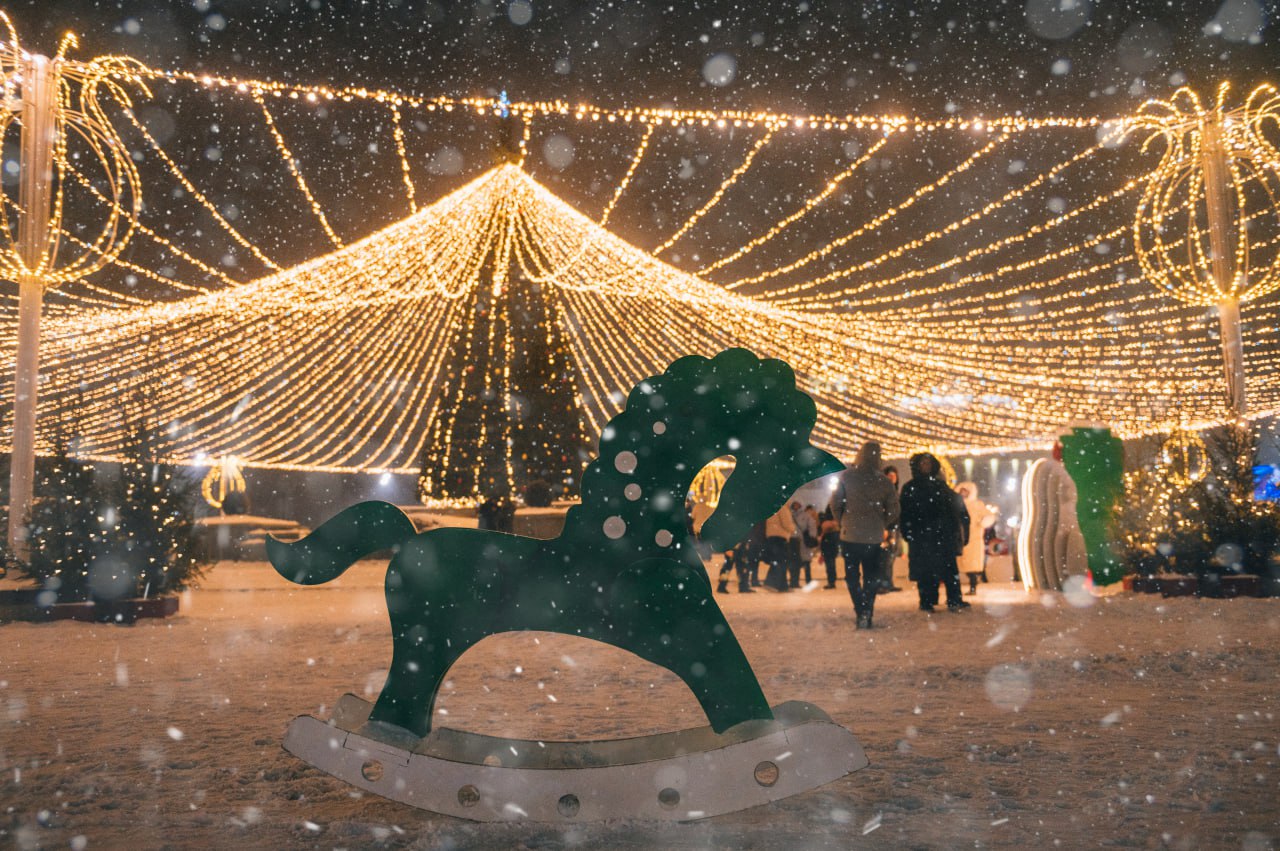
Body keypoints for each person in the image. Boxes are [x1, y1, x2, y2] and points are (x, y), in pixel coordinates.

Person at [831, 441, 900, 629]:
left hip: (850, 535)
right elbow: (894, 509)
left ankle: (860, 609)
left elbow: (835, 503)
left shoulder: (847, 477)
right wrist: (881, 522)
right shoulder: (884, 481)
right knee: (871, 576)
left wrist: (843, 520)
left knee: (852, 576)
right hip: (873, 537)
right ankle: (867, 610)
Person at [900, 453, 970, 613]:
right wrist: (907, 531)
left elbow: (955, 506)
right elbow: (905, 513)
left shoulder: (940, 486)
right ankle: (927, 600)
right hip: (922, 535)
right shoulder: (911, 487)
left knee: (948, 568)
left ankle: (954, 599)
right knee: (925, 569)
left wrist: (957, 529)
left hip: (942, 534)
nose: (926, 466)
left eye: (928, 463)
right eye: (923, 463)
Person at [957, 482, 995, 594]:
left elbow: (988, 516)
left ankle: (973, 587)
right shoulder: (956, 505)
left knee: (972, 567)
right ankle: (958, 591)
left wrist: (983, 522)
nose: (963, 494)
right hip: (959, 539)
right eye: (961, 491)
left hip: (974, 540)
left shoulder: (977, 505)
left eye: (965, 491)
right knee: (960, 565)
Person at [763, 501, 797, 591]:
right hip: (780, 537)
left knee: (778, 560)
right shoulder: (783, 508)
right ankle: (770, 582)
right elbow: (787, 523)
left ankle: (782, 586)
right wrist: (793, 529)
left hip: (771, 537)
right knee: (781, 561)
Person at [818, 506, 841, 588]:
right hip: (833, 548)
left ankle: (831, 582)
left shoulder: (825, 525)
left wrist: (822, 550)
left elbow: (823, 540)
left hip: (827, 548)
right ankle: (832, 581)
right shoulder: (836, 528)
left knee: (829, 566)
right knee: (832, 565)